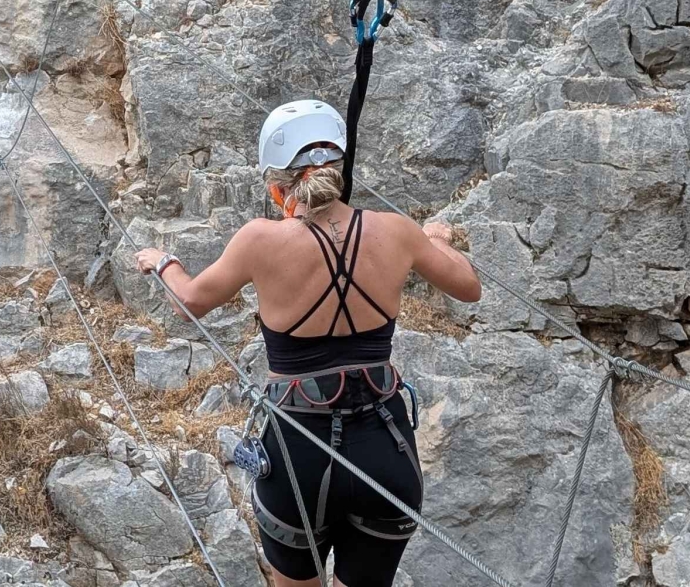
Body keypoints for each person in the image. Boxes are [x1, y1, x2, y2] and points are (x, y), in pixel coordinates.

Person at [134, 99, 482, 587]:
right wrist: (434, 239)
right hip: (386, 450)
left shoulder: (261, 240)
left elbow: (190, 301)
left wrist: (163, 260)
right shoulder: (397, 231)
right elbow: (469, 287)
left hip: (299, 448)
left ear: (279, 189)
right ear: (338, 173)